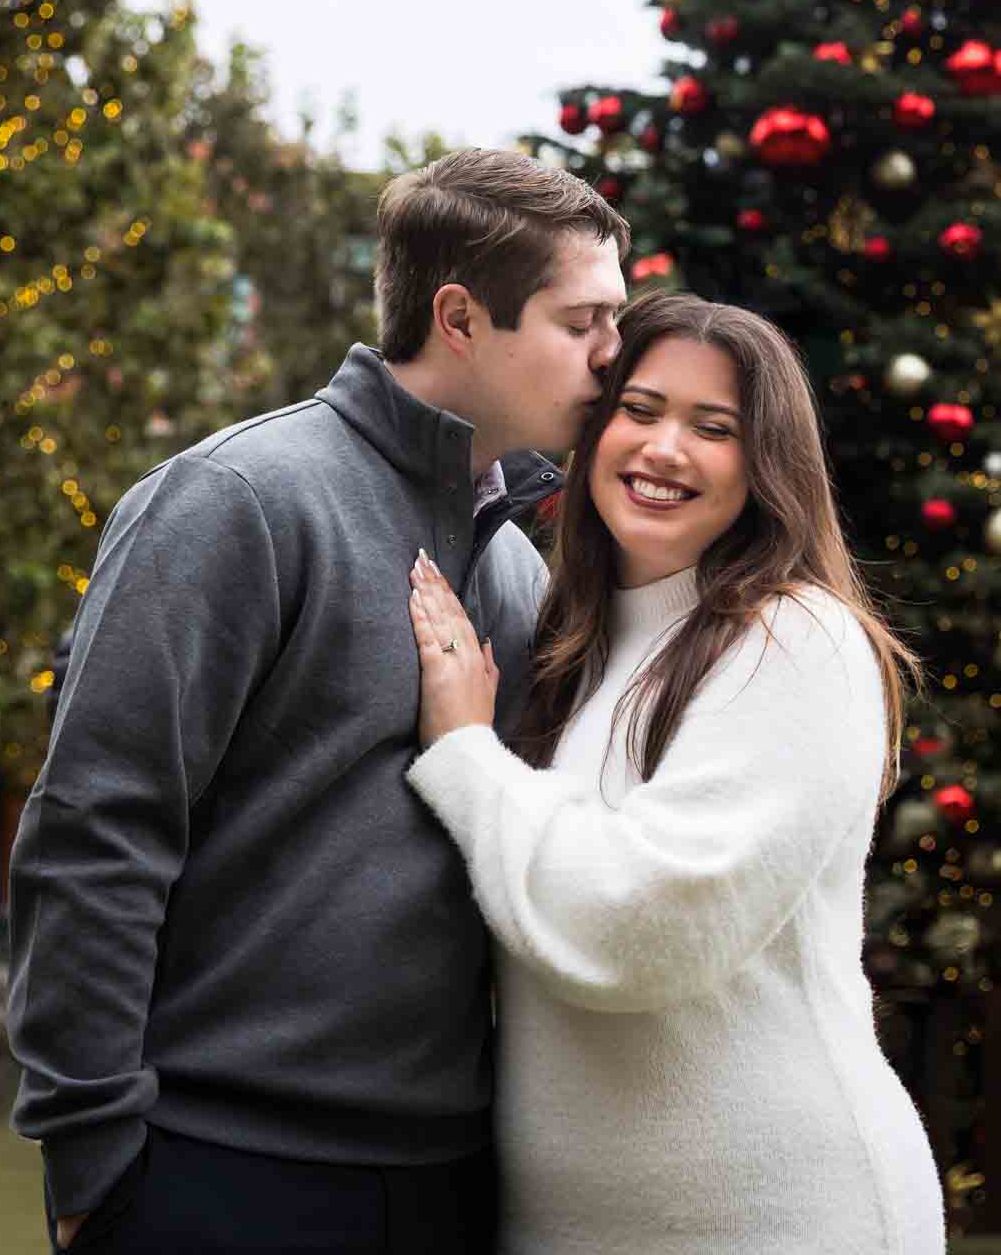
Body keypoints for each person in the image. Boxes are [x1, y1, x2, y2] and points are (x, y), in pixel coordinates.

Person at [6, 148, 629, 1255]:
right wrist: (93, 1163)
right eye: (581, 320)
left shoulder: (522, 573)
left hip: (446, 1183)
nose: (612, 357)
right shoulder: (239, 500)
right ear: (460, 316)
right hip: (212, 1173)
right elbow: (95, 830)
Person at [405, 290, 946, 1255]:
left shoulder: (793, 640)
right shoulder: (579, 652)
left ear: (766, 465)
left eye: (714, 427)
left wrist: (461, 753)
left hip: (779, 1220)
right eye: (640, 411)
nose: (663, 450)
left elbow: (639, 926)